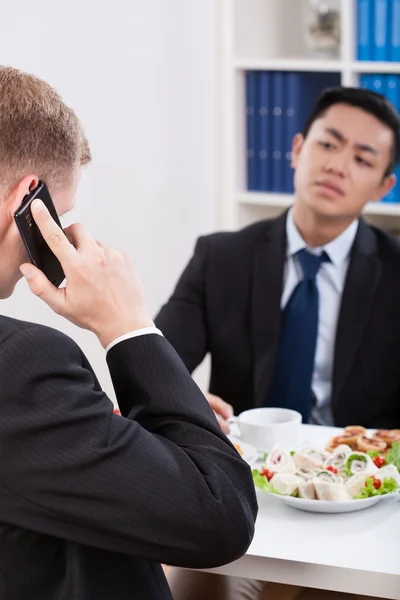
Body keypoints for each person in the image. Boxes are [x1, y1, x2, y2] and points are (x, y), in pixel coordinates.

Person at [0, 66, 257, 600]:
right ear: (30, 200)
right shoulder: (22, 362)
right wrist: (128, 325)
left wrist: (150, 419)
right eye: (59, 214)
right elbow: (221, 516)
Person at [155, 86, 399, 600]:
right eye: (328, 144)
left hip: (362, 506)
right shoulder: (221, 257)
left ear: (384, 186)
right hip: (246, 497)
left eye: (362, 158)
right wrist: (182, 399)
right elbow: (156, 365)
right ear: (296, 149)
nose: (337, 166)